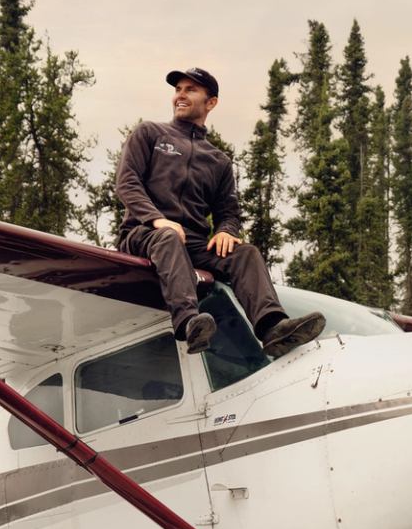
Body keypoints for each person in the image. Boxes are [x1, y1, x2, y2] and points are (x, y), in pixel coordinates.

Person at [115, 67, 324, 357]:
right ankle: (190, 323)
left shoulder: (218, 161)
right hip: (143, 233)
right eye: (178, 89)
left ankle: (272, 328)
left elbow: (228, 210)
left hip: (193, 244)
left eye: (191, 90)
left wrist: (227, 230)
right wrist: (157, 219)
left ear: (211, 102)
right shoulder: (150, 133)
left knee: (245, 253)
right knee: (167, 237)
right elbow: (127, 182)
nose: (181, 95)